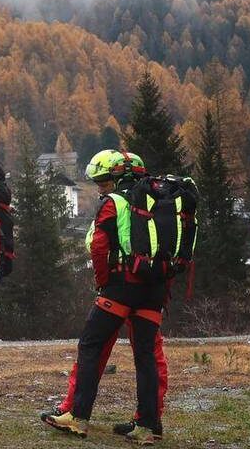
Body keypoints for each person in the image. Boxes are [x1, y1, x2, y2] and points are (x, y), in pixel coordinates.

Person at [41, 149, 169, 439]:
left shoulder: (115, 202)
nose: (100, 187)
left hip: (120, 286)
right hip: (154, 289)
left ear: (120, 177)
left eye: (104, 181)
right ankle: (149, 426)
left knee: (90, 346)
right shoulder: (162, 201)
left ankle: (78, 416)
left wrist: (103, 283)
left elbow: (99, 246)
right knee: (146, 356)